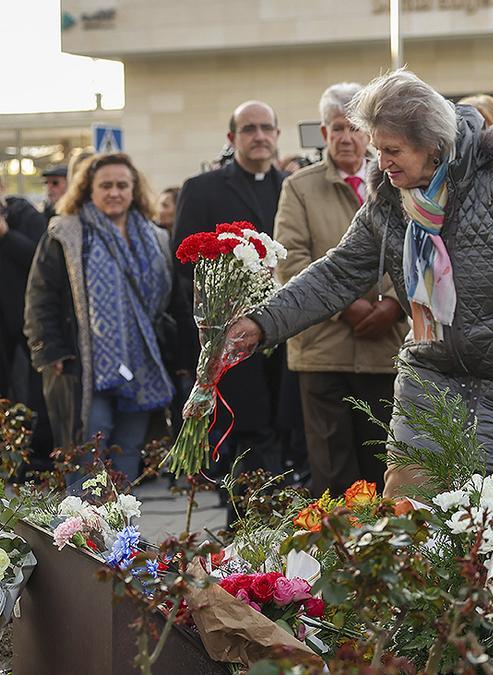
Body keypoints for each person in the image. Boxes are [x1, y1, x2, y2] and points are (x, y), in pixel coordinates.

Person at [223, 69, 493, 505]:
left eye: (393, 150)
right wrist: (262, 322)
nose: (382, 162)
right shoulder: (389, 201)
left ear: (434, 146)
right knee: (409, 510)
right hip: (434, 369)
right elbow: (337, 273)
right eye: (378, 149)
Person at [273, 82, 408, 496]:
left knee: (384, 468)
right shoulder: (299, 187)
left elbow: (418, 253)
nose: (346, 138)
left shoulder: (397, 180)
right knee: (332, 473)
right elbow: (289, 257)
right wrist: (342, 306)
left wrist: (394, 306)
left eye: (354, 128)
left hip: (385, 348)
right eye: (336, 128)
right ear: (324, 133)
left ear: (369, 134)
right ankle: (334, 555)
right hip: (322, 350)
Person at [24, 154, 176, 479]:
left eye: (122, 185)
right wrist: (53, 353)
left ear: (134, 190)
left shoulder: (155, 237)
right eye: (105, 185)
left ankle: (122, 529)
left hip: (140, 368)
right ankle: (82, 531)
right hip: (86, 367)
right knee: (89, 456)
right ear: (87, 190)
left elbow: (166, 303)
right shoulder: (66, 233)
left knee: (128, 455)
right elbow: (41, 297)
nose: (114, 192)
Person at [173, 100, 289, 482]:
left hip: (287, 332)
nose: (258, 136)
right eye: (248, 129)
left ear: (277, 134)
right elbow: (184, 266)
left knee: (283, 428)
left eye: (265, 128)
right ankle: (241, 518)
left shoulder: (292, 187)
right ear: (231, 137)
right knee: (243, 434)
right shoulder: (202, 189)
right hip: (229, 338)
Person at [1, 176, 53, 472]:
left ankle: (35, 458)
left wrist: (6, 235)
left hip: (26, 321)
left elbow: (39, 257)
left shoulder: (24, 215)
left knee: (35, 390)